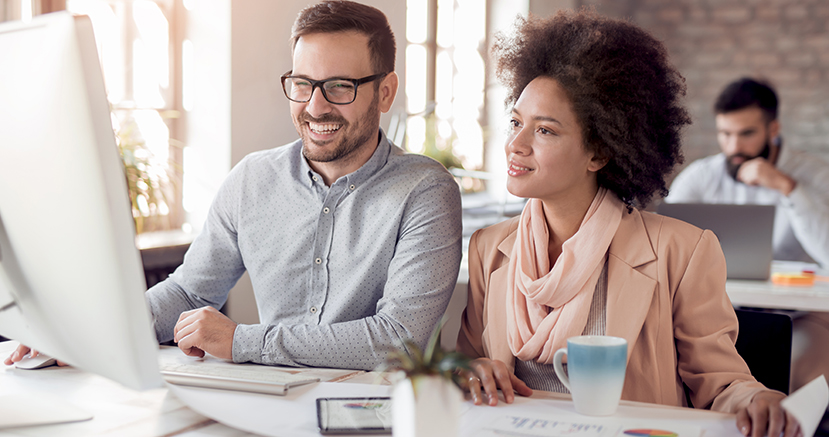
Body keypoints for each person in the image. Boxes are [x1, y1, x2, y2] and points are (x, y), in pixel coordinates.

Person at [5, 0, 462, 371]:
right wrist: (86, 337)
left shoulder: (425, 190)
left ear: (385, 92)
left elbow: (399, 339)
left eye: (340, 87)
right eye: (303, 84)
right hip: (266, 403)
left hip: (371, 412)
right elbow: (188, 291)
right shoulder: (251, 179)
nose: (315, 106)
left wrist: (242, 340)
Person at [455, 10, 799, 437]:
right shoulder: (490, 247)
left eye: (544, 131)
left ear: (598, 154)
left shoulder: (682, 252)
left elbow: (721, 382)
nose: (515, 144)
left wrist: (757, 398)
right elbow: (466, 362)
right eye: (516, 122)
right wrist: (472, 371)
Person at [665, 77, 829, 268]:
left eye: (746, 133)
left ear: (773, 129)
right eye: (725, 133)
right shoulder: (700, 176)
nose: (734, 147)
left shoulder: (817, 174)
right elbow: (665, 247)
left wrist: (789, 188)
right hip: (718, 293)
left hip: (790, 295)